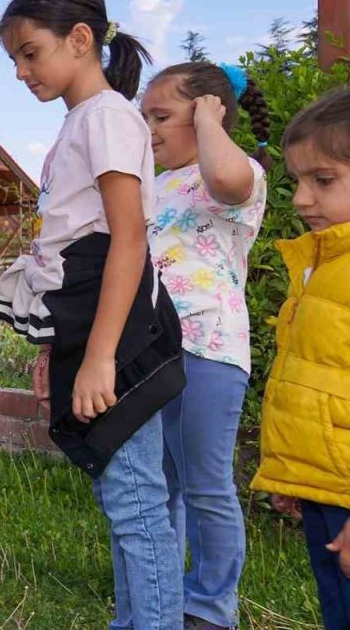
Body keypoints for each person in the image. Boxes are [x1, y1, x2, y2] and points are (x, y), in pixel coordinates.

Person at [0, 0, 186, 630]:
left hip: (121, 332)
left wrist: (102, 357)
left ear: (80, 39)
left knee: (136, 504)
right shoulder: (85, 121)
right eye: (14, 59)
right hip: (92, 329)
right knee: (122, 495)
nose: (21, 71)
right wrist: (62, 350)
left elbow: (126, 240)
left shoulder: (106, 116)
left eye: (29, 53)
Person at [140, 61, 271, 630]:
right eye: (146, 117)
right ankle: (163, 592)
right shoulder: (156, 182)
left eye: (162, 116)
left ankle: (211, 606)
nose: (150, 129)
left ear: (206, 112)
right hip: (150, 353)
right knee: (159, 480)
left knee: (205, 484)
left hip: (208, 349)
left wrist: (211, 123)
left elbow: (226, 181)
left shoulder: (238, 173)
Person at [250, 87, 350, 630]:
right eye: (298, 182)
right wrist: (297, 476)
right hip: (328, 486)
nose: (302, 200)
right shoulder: (322, 265)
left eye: (324, 180)